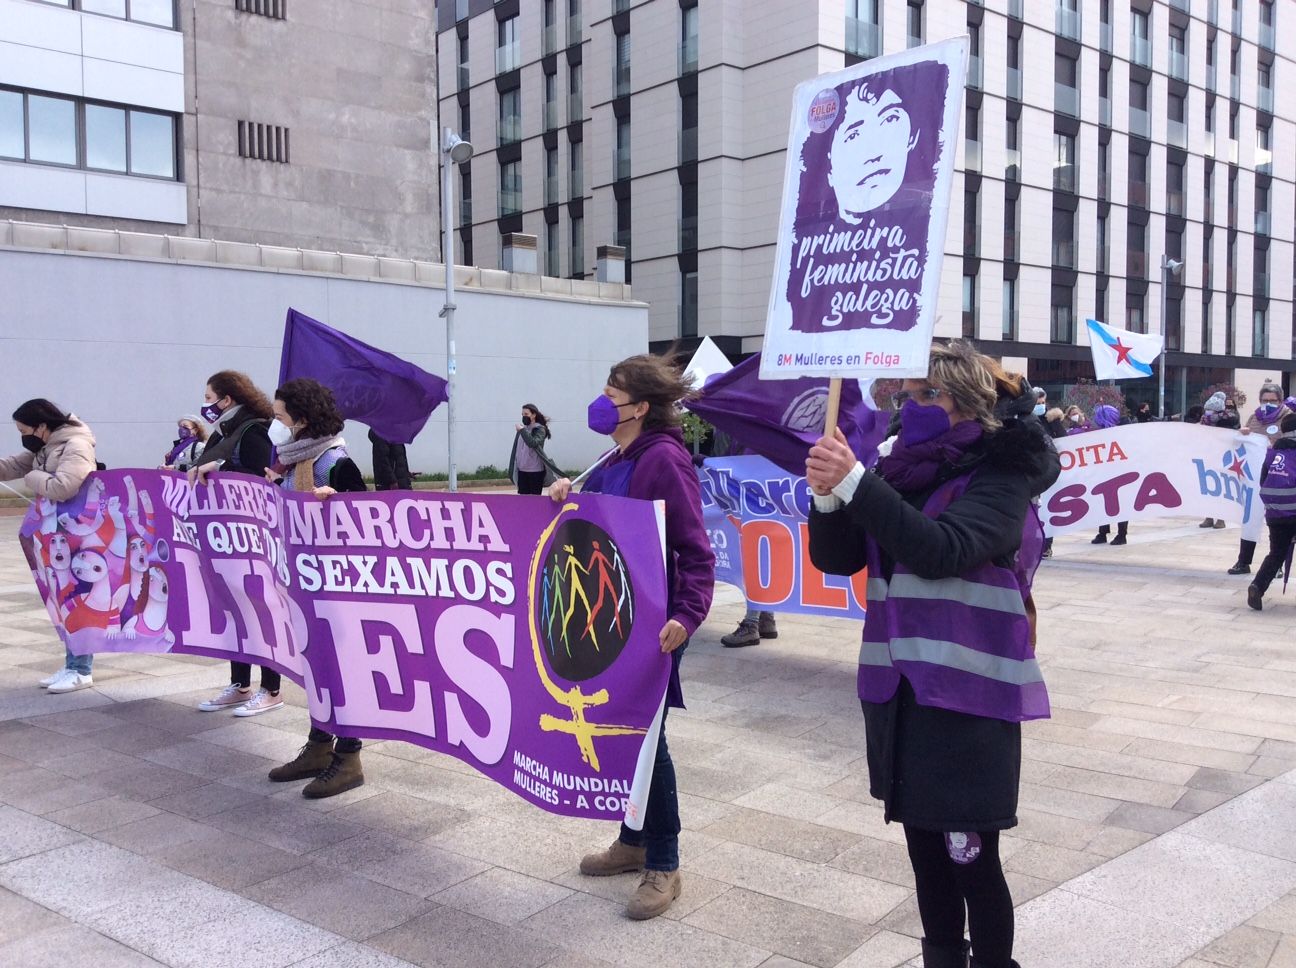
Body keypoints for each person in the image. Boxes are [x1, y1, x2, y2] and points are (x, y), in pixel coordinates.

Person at [805, 340, 1058, 968]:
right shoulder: (901, 472)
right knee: (925, 852)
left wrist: (859, 482)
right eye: (908, 396)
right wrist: (828, 497)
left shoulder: (1001, 475)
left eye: (928, 396)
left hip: (968, 704)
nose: (912, 407)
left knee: (971, 856)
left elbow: (943, 548)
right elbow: (838, 560)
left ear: (965, 402)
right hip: (902, 693)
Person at [548, 354, 714, 920]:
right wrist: (566, 497)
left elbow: (695, 550)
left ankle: (663, 862)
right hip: (612, 619)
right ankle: (632, 839)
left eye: (611, 392)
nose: (601, 400)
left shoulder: (665, 460)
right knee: (629, 736)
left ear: (640, 406)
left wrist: (688, 616)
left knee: (647, 738)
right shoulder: (615, 455)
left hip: (656, 624)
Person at [262, 378, 369, 797]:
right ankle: (320, 746)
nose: (277, 423)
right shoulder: (293, 461)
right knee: (317, 669)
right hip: (304, 586)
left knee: (342, 673)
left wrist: (337, 505)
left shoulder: (333, 463)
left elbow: (369, 523)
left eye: (281, 416)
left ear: (302, 420)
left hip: (336, 594)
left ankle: (349, 757)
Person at [189, 370, 280, 716]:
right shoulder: (224, 431)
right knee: (233, 612)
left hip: (250, 539)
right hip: (224, 539)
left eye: (210, 398)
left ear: (227, 400)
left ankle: (270, 688)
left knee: (258, 610)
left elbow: (262, 477)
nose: (206, 405)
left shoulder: (253, 430)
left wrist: (222, 467)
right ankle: (240, 683)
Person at [2, 399, 99, 693]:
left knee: (77, 599)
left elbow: (64, 486)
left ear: (42, 426)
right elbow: (14, 465)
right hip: (55, 533)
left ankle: (82, 670)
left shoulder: (76, 445)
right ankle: (72, 664)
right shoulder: (45, 446)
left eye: (25, 429)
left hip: (77, 534)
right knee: (64, 598)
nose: (23, 435)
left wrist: (32, 478)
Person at [1230, 383, 1291, 575]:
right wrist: (1243, 434)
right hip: (1254, 477)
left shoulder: (1289, 417)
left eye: (1273, 401)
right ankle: (1243, 561)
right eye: (1265, 400)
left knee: (1280, 525)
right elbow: (1243, 442)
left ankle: (1277, 564)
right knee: (1250, 518)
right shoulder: (1255, 417)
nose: (1268, 404)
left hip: (1280, 479)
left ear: (1280, 401)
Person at [1247, 413, 1296, 611]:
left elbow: (1263, 481)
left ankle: (1257, 587)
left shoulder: (1273, 454)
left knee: (1276, 553)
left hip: (1276, 514)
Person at [1088, 405, 1130, 546]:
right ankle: (1103, 532)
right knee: (1103, 503)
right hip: (1104, 473)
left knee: (1120, 505)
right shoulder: (1099, 434)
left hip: (1119, 473)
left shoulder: (1122, 432)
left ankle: (1121, 534)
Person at [1200, 392, 1241, 531]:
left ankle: (1221, 518)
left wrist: (1214, 415)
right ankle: (1209, 516)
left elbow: (1233, 421)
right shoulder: (1206, 417)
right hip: (1209, 452)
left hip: (1225, 454)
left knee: (1221, 485)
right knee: (1207, 485)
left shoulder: (1230, 416)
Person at [509, 403, 561, 495]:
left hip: (535, 471)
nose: (524, 417)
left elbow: (532, 443)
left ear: (533, 415)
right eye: (522, 415)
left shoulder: (539, 429)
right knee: (523, 499)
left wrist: (522, 431)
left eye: (526, 414)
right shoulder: (523, 429)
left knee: (535, 499)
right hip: (522, 470)